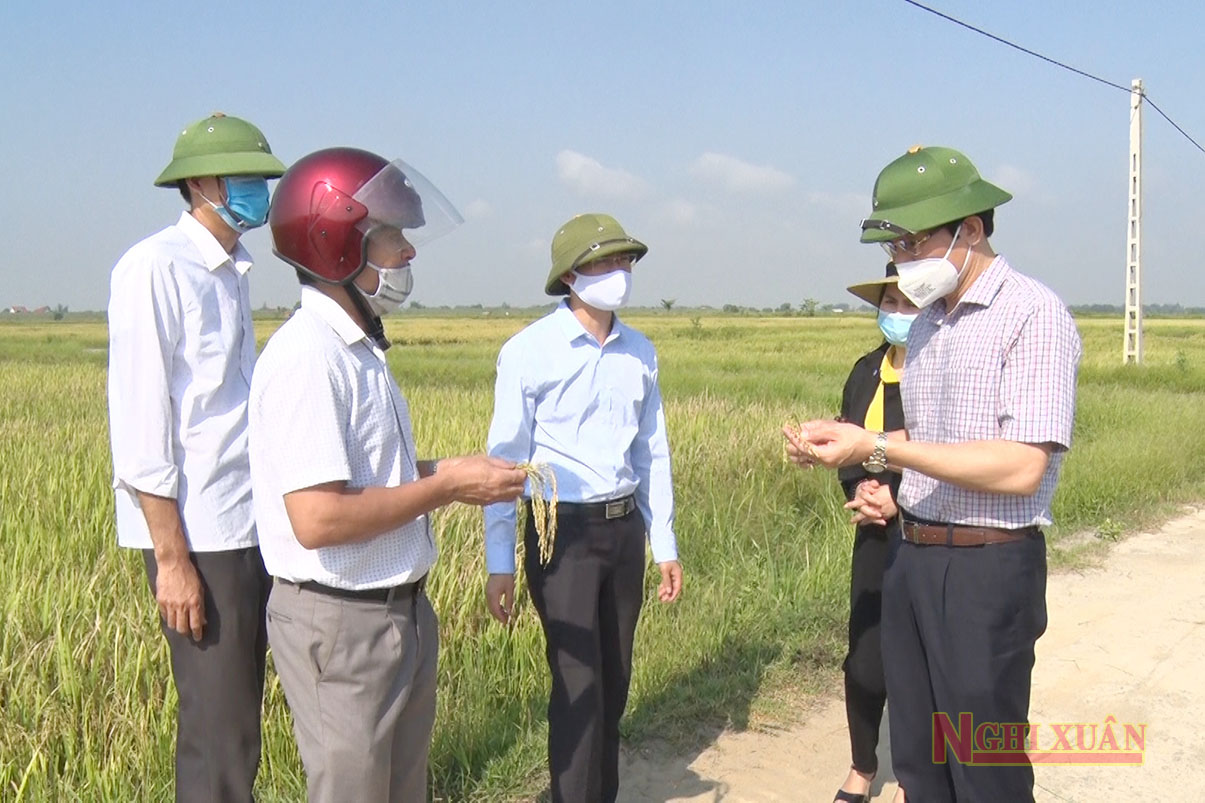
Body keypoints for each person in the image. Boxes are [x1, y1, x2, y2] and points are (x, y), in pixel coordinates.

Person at [785, 145, 1081, 803]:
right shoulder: (927, 325)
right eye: (894, 249)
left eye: (915, 242)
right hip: (911, 560)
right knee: (919, 762)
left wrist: (880, 448)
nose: (902, 263)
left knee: (985, 770)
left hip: (987, 570)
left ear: (969, 229)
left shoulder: (1032, 315)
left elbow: (1020, 465)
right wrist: (853, 446)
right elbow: (929, 437)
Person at [248, 146, 527, 802]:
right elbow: (318, 517)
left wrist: (450, 469)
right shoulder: (308, 359)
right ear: (338, 245)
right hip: (340, 625)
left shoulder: (358, 350)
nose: (408, 253)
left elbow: (367, 476)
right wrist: (448, 486)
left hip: (397, 614)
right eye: (393, 237)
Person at [106, 112, 285, 802]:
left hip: (245, 524)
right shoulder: (155, 267)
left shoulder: (233, 272)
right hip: (200, 537)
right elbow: (142, 423)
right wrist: (172, 559)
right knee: (220, 734)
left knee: (236, 723)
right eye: (243, 176)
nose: (255, 190)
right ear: (201, 183)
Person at [483, 213, 684, 803]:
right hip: (559, 534)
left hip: (624, 531)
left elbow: (654, 453)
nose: (616, 274)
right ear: (569, 276)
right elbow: (504, 463)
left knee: (614, 683)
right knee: (578, 684)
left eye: (623, 261)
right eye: (601, 263)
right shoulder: (527, 352)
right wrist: (501, 560)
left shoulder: (640, 353)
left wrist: (663, 544)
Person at [827, 263, 919, 803]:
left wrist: (899, 497)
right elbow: (847, 440)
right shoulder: (866, 371)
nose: (898, 313)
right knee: (863, 655)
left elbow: (943, 452)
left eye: (909, 303)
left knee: (915, 660)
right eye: (890, 303)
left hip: (924, 531)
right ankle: (862, 767)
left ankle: (913, 777)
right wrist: (859, 490)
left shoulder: (935, 370)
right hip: (871, 531)